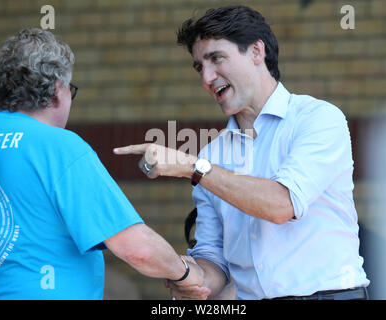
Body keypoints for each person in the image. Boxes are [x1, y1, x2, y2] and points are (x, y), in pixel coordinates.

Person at [114, 5, 370, 300]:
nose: (206, 79)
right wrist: (181, 273)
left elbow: (280, 205)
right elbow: (215, 268)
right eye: (199, 67)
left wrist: (192, 167)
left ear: (256, 52)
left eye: (216, 59)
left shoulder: (319, 118)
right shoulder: (211, 154)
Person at [0, 28, 205, 300]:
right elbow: (136, 248)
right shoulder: (58, 145)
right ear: (56, 92)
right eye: (71, 89)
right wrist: (187, 274)